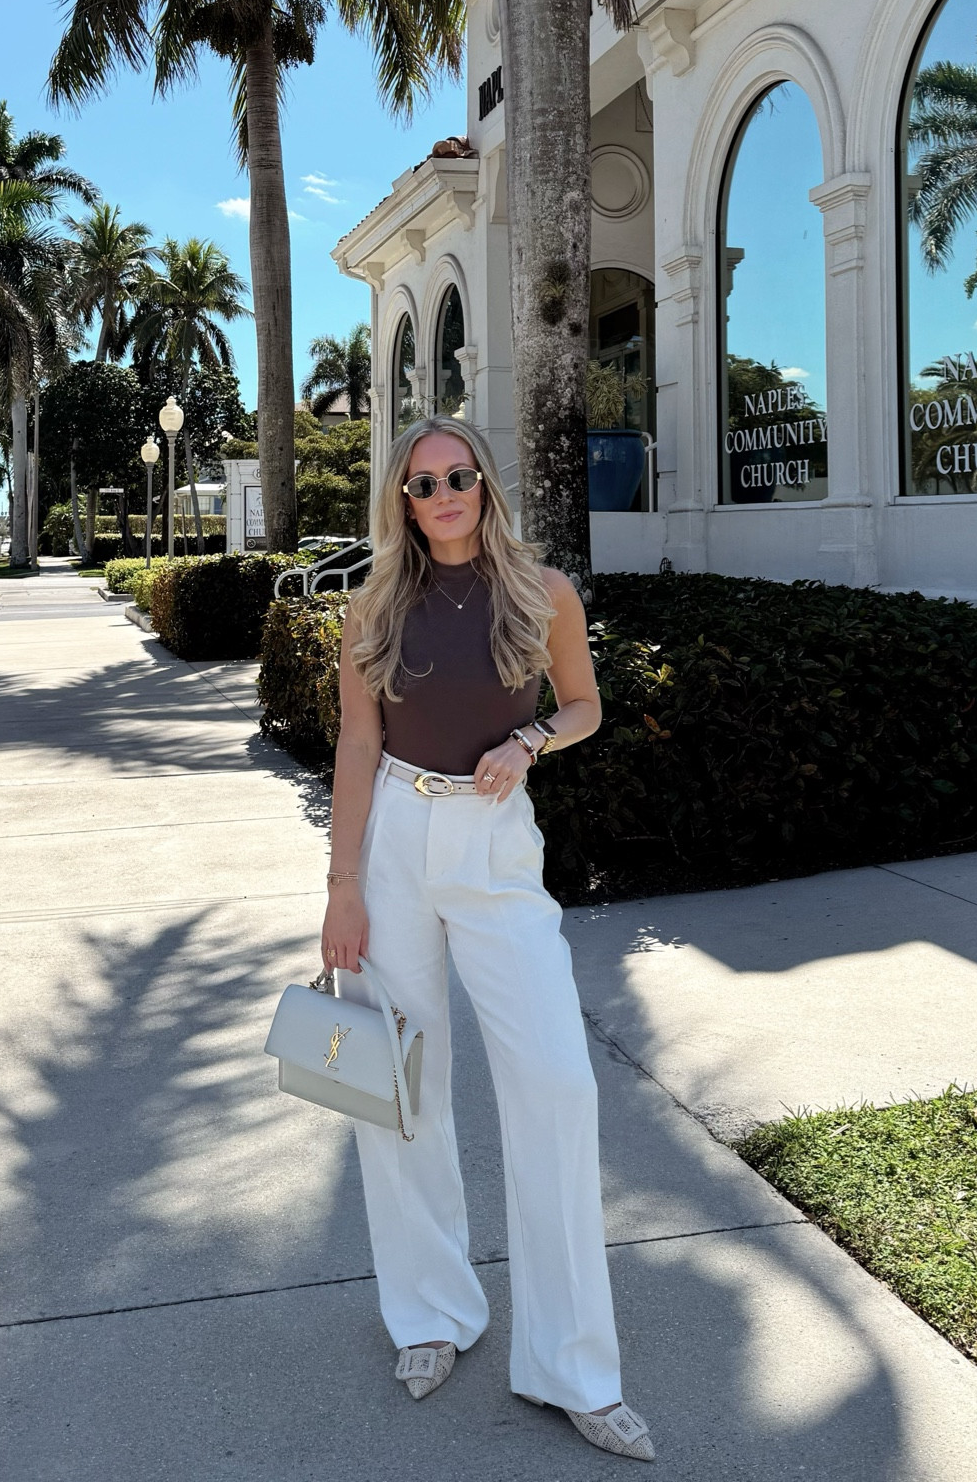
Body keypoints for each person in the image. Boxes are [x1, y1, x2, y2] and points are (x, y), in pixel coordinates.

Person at [321, 415, 655, 1463]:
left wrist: (529, 737)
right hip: (397, 837)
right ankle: (430, 1312)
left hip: (494, 834)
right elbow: (358, 740)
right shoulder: (372, 605)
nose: (444, 493)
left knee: (557, 1080)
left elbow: (586, 704)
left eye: (459, 474)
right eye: (423, 483)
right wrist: (341, 885)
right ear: (403, 502)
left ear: (486, 484)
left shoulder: (544, 591)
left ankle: (575, 1366)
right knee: (401, 1083)